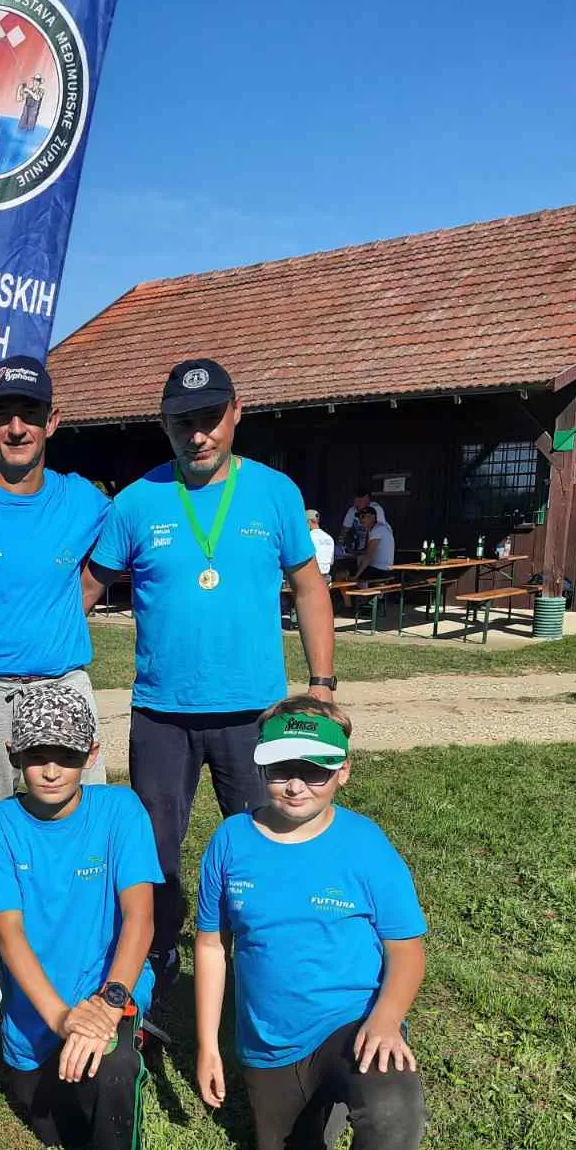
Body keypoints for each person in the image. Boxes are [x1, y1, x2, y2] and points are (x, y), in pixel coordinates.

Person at [83, 358, 336, 1000]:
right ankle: (156, 962)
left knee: (268, 836)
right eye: (183, 423)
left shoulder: (275, 493)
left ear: (236, 412)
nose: (198, 435)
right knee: (155, 852)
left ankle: (267, 954)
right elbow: (84, 591)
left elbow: (309, 588)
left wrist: (322, 683)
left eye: (209, 419)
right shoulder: (137, 501)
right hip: (161, 715)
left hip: (253, 713)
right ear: (164, 425)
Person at [194, 696, 427, 1150]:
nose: (296, 782)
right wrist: (209, 1046)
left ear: (343, 772)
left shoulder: (365, 845)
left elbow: (407, 950)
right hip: (269, 1042)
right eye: (280, 766)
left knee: (393, 1101)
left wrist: (385, 1020)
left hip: (351, 1023)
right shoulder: (231, 840)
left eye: (316, 769)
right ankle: (313, 1112)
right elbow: (212, 944)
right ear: (258, 764)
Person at [0, 682, 161, 1150]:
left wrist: (107, 1006)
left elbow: (140, 918)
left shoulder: (121, 810)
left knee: (109, 1071)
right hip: (40, 1014)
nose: (51, 769)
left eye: (67, 754)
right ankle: (80, 1056)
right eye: (35, 755)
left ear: (91, 753)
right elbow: (10, 937)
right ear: (13, 755)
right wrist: (60, 1018)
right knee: (54, 1129)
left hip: (107, 990)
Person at [0, 355, 110, 833]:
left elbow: (122, 552)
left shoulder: (84, 502)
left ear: (51, 422)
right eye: (4, 414)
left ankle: (74, 909)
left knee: (81, 826)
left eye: (30, 414)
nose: (17, 428)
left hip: (60, 684)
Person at [352, 504, 396, 582]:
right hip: (382, 569)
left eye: (363, 517)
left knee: (343, 573)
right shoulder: (379, 528)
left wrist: (355, 576)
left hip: (380, 570)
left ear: (372, 517)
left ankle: (354, 593)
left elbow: (369, 556)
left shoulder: (377, 530)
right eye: (359, 517)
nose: (360, 520)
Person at [306, 508, 334, 580]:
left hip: (311, 578)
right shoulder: (329, 538)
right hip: (326, 578)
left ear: (308, 522)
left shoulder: (308, 537)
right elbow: (331, 562)